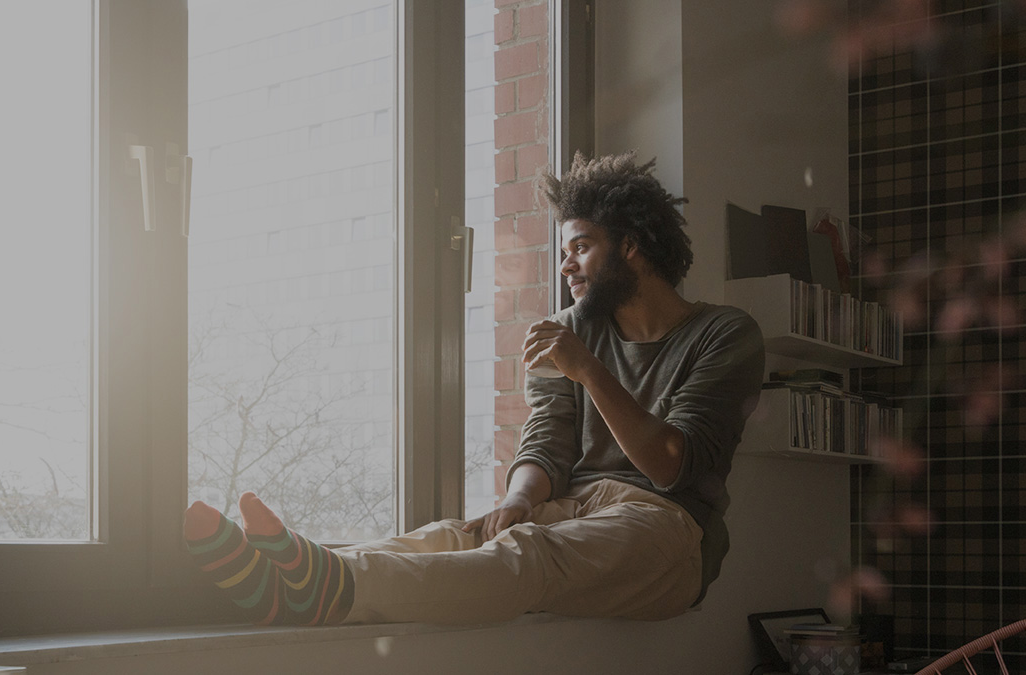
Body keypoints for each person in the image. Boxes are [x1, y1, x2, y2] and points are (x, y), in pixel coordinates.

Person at [181, 152, 765, 626]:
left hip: (668, 530)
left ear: (632, 246)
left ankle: (329, 590)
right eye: (563, 252)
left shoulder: (724, 333)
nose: (566, 267)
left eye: (580, 246)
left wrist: (589, 370)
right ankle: (284, 575)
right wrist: (517, 499)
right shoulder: (569, 330)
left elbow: (671, 465)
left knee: (526, 555)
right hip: (577, 507)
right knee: (456, 537)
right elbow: (548, 442)